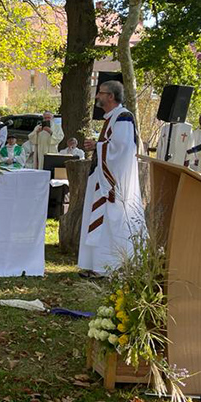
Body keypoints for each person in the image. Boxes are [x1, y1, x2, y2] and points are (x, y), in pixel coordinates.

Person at [78, 80, 144, 276]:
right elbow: (111, 144)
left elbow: (122, 148)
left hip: (113, 182)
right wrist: (98, 145)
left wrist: (98, 146)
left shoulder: (123, 117)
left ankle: (110, 266)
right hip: (103, 178)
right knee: (100, 221)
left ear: (111, 96)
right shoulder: (112, 117)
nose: (97, 96)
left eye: (100, 93)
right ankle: (96, 264)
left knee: (111, 223)